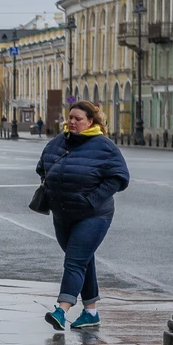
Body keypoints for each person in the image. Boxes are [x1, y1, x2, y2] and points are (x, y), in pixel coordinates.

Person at [37, 101, 129, 330]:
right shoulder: (58, 141)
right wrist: (50, 189)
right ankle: (91, 312)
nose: (72, 122)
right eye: (70, 117)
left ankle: (62, 310)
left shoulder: (104, 146)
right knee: (83, 259)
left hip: (94, 215)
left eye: (78, 118)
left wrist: (92, 200)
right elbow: (42, 166)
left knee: (75, 260)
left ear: (90, 121)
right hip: (63, 214)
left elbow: (119, 178)